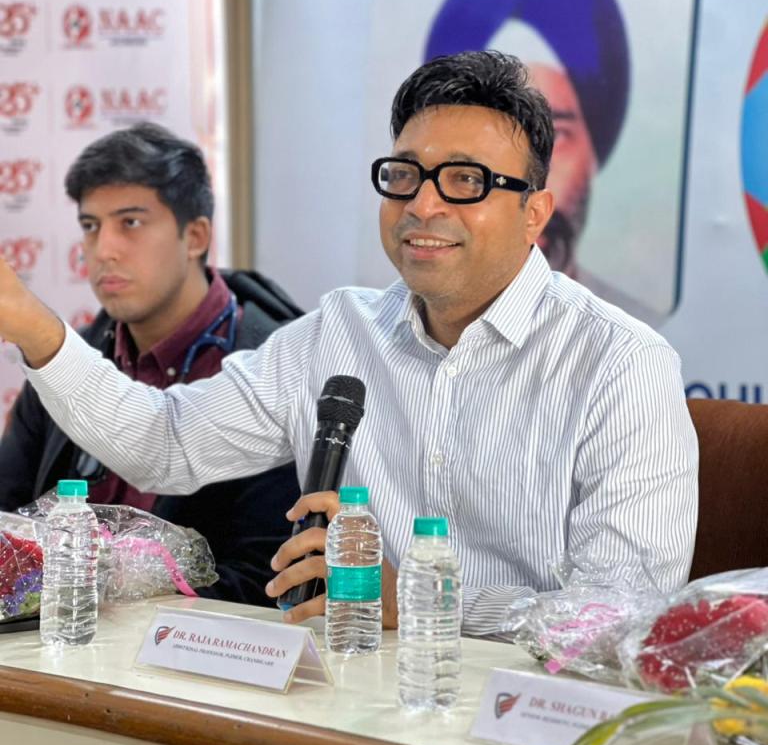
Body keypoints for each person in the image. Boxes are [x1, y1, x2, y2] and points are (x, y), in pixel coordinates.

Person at [0, 53, 698, 638]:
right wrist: (30, 322)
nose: (424, 205)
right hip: (347, 704)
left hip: (528, 721)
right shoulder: (339, 331)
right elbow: (164, 442)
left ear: (534, 213)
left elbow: (619, 615)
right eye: (405, 175)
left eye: (466, 181)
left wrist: (424, 601)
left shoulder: (619, 364)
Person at [0, 122, 301, 605]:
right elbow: (8, 519)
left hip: (201, 645)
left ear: (195, 236)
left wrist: (110, 595)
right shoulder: (62, 361)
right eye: (91, 226)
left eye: (131, 223)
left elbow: (266, 582)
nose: (104, 250)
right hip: (53, 639)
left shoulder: (275, 369)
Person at [423, 0, 655, 318]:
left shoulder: (627, 344)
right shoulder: (364, 329)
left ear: (593, 154)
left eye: (555, 138)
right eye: (487, 141)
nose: (520, 178)